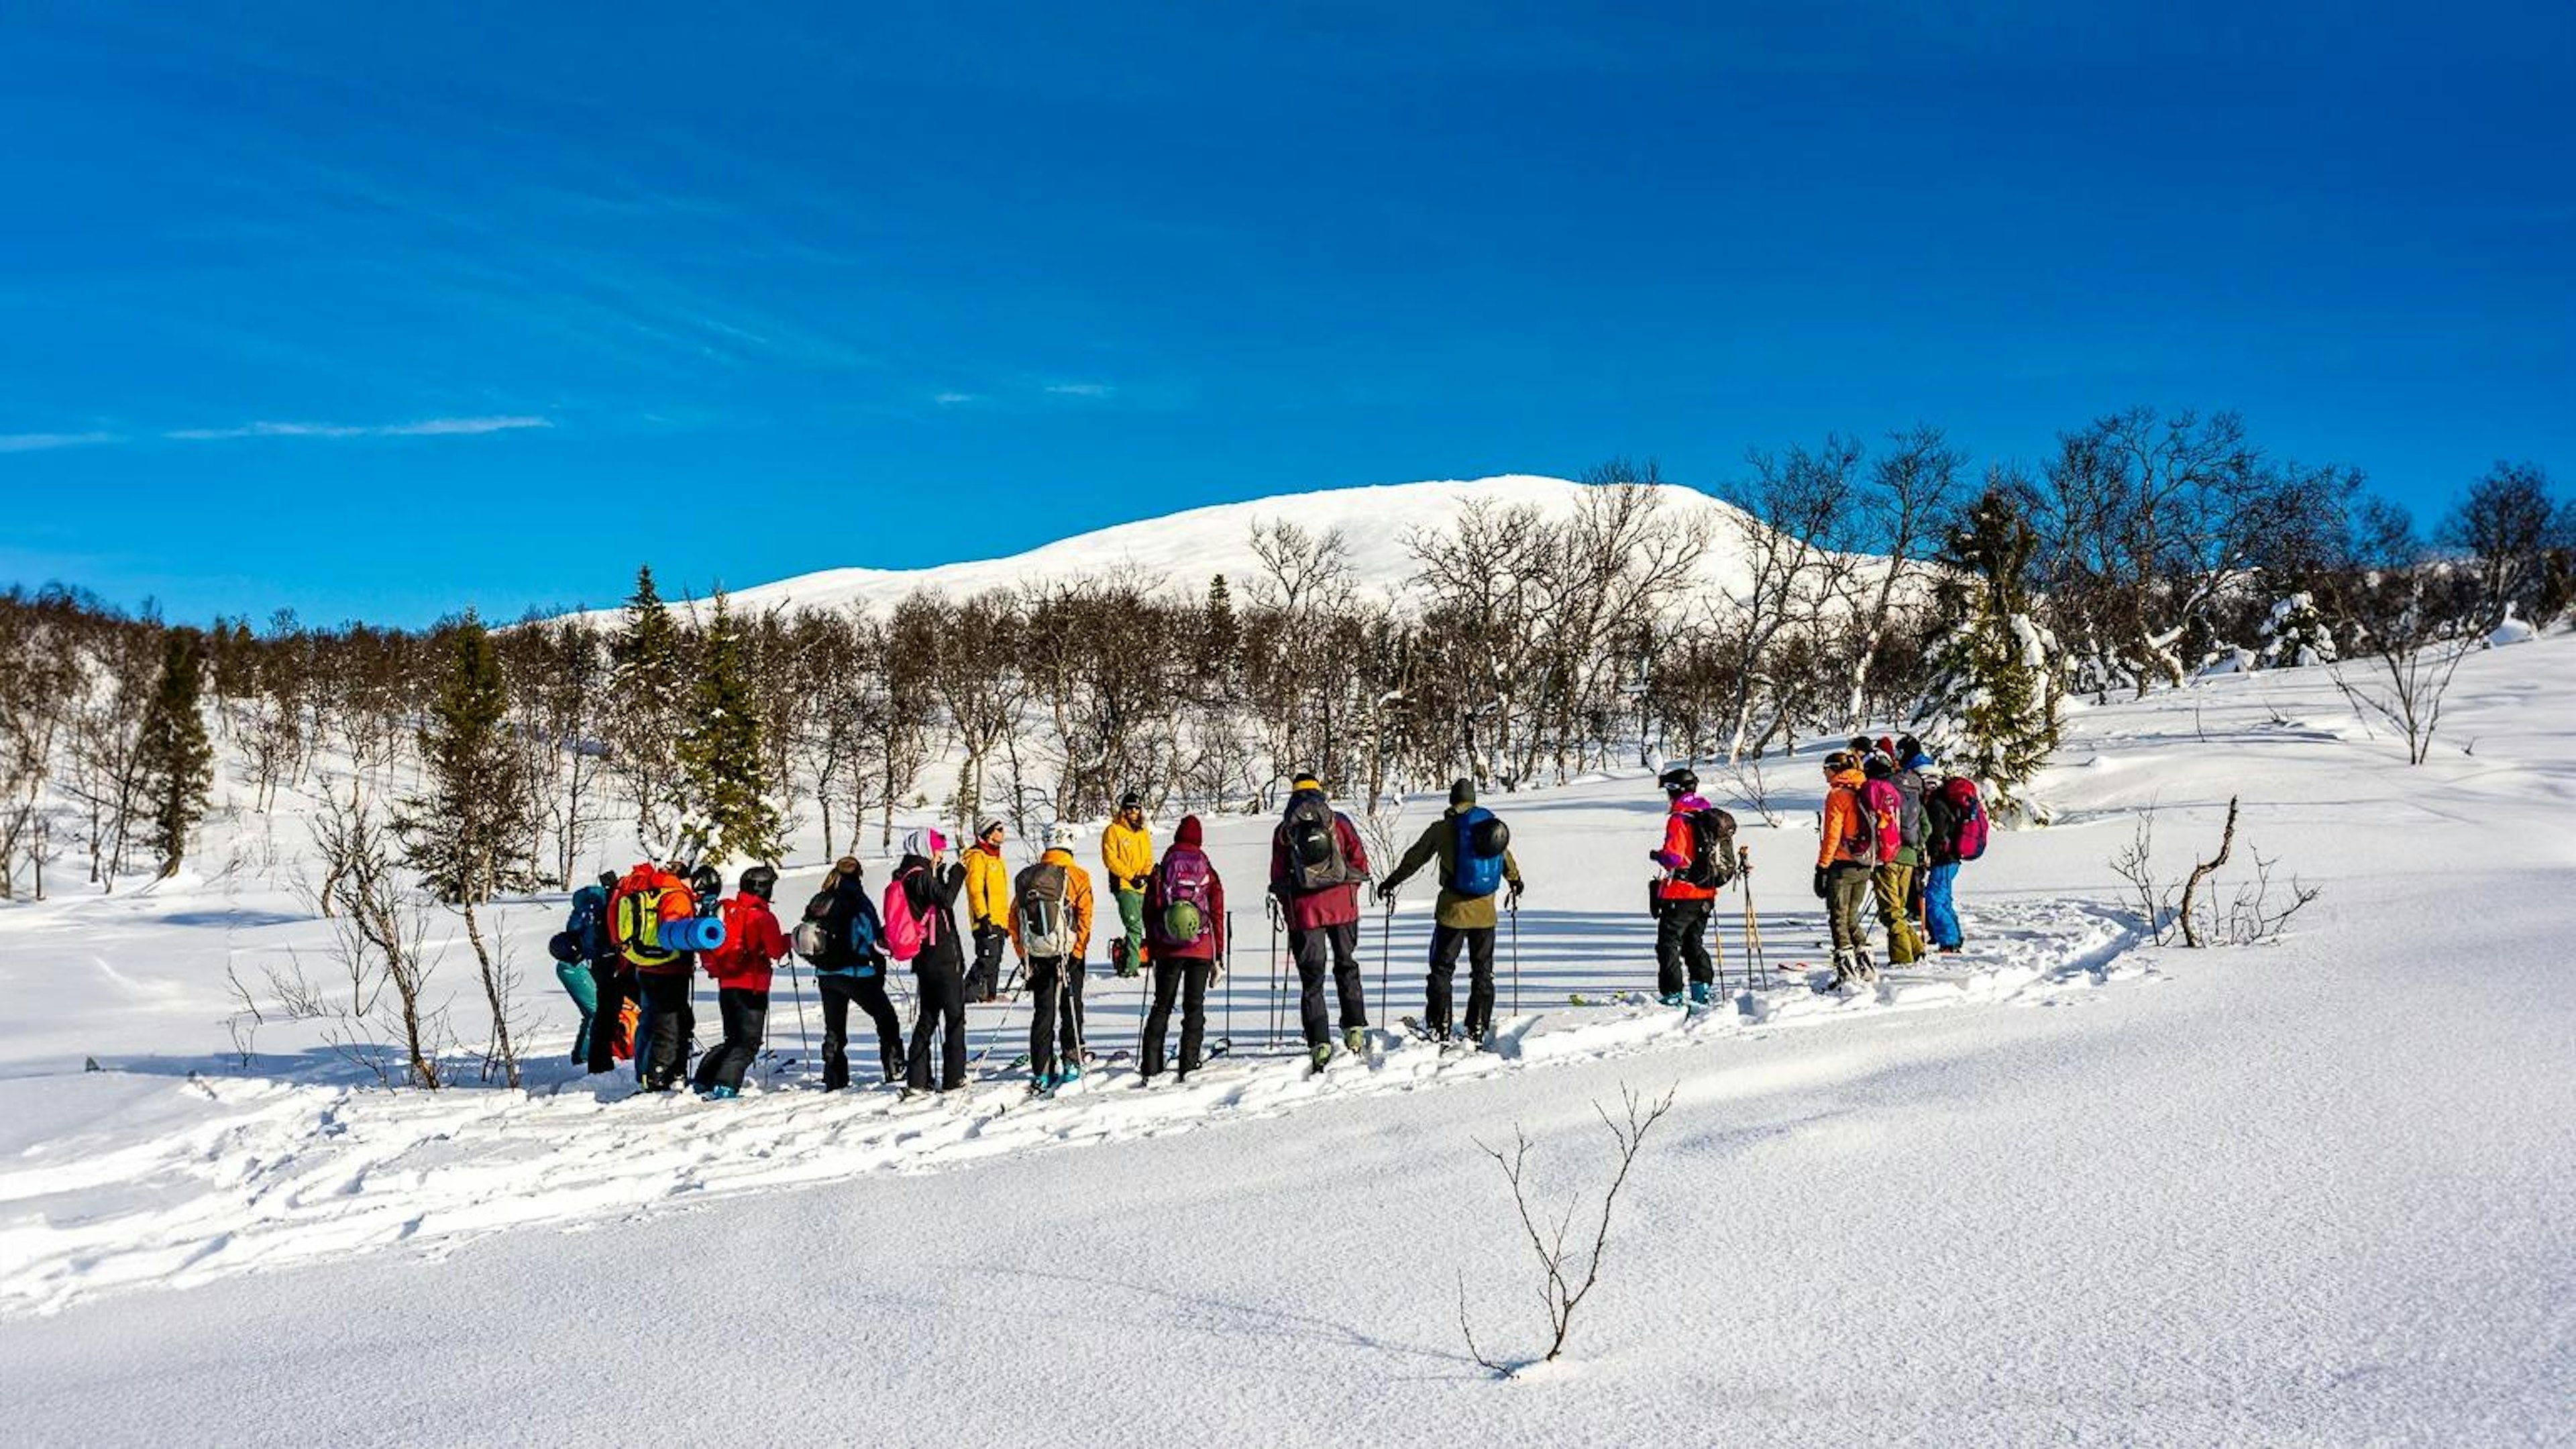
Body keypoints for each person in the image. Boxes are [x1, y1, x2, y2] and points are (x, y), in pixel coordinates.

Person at [1377, 779, 1523, 1044]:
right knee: (1483, 971)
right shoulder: (1488, 827)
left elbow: (1415, 858)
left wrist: (1391, 882)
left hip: (1451, 913)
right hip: (1485, 913)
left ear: (1451, 800)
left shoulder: (1442, 829)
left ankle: (1440, 1025)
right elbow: (1505, 857)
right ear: (1473, 799)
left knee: (1442, 969)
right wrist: (1515, 881)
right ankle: (1477, 1026)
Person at [1269, 772, 1373, 1069]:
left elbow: (1278, 877)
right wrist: (1347, 887)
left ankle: (1320, 1043)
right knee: (1347, 964)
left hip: (1305, 914)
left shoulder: (1284, 831)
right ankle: (1354, 1030)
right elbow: (1360, 861)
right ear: (1319, 792)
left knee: (1312, 979)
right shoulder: (1338, 821)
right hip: (1343, 908)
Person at [1009, 824, 1097, 1092]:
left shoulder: (1028, 877)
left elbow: (1013, 919)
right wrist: (1078, 952)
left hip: (1037, 954)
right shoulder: (1078, 876)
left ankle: (1043, 1070)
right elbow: (1085, 916)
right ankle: (1072, 1062)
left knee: (1043, 1012)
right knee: (1071, 1008)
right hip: (1068, 952)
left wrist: (1024, 955)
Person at [807, 856, 906, 1089]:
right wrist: (879, 970)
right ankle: (895, 1068)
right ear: (859, 874)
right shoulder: (859, 901)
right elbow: (872, 938)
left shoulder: (821, 899)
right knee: (887, 1020)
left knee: (834, 1029)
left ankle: (834, 1077)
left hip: (825, 973)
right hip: (856, 973)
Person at [1141, 814, 1227, 1080]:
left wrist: (1153, 946)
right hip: (1201, 946)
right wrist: (1218, 952)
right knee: (1194, 1006)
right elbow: (1217, 912)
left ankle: (1151, 1066)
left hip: (1168, 948)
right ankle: (1189, 1063)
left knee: (1162, 1005)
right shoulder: (1206, 869)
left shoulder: (1164, 867)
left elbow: (1151, 909)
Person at [694, 865, 787, 1099]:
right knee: (748, 1043)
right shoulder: (762, 916)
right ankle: (726, 1084)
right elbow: (775, 950)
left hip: (727, 984)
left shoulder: (726, 909)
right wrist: (789, 941)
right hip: (752, 986)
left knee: (733, 1039)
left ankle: (704, 1079)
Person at [608, 856, 700, 1090]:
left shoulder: (650, 889)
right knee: (670, 1025)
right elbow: (673, 930)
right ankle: (658, 1075)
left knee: (651, 1021)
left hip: (643, 965)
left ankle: (648, 1072)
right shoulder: (676, 894)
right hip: (669, 968)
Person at [891, 828, 970, 1095]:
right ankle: (954, 1078)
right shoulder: (920, 877)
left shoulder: (909, 874)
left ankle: (918, 1078)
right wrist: (958, 872)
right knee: (954, 1017)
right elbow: (946, 899)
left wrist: (940, 873)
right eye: (937, 849)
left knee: (928, 1018)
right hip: (942, 959)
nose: (940, 854)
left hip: (925, 958)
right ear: (925, 848)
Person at [1648, 767, 1721, 1006]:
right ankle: (1702, 990)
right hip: (1706, 892)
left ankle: (1672, 994)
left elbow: (1675, 857)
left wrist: (1659, 856)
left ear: (1674, 791)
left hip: (1682, 893)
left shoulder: (1680, 818)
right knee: (1693, 942)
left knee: (1668, 944)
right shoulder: (1707, 815)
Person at [1814, 751, 1886, 987]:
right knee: (1851, 915)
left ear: (1835, 769)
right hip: (1865, 862)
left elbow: (1833, 835)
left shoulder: (1838, 795)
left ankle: (1846, 973)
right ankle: (1866, 964)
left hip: (1843, 863)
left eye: (1825, 768)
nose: (1824, 773)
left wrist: (1822, 866)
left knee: (1838, 917)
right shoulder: (1864, 787)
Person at [1863, 753, 1925, 965]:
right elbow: (1925, 825)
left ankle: (1902, 958)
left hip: (1887, 857)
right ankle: (1916, 949)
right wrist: (1915, 845)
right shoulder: (1910, 787)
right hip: (1909, 857)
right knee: (1898, 909)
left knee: (1891, 912)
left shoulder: (1876, 788)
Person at [559, 871, 619, 1067]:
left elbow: (571, 932)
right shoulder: (607, 905)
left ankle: (584, 1054)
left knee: (594, 1011)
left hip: (574, 964)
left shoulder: (582, 911)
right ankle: (584, 1056)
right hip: (581, 966)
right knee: (596, 1010)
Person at [1100, 793, 1156, 978]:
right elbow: (1110, 859)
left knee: (1146, 924)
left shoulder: (1143, 832)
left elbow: (1148, 857)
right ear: (1123, 810)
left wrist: (1146, 875)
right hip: (1124, 885)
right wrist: (1131, 876)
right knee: (1134, 925)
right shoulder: (1113, 830)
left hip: (1142, 885)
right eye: (1129, 808)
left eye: (1136, 808)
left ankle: (1139, 957)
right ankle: (1130, 968)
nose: (1133, 812)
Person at [1921, 771, 1976, 955]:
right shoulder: (1945, 803)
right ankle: (1953, 938)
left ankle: (1949, 941)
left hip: (1944, 859)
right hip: (1950, 859)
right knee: (1943, 900)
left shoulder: (1937, 805)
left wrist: (1931, 856)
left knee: (1935, 900)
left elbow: (1938, 835)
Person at [963, 818, 1012, 1002]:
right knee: (987, 959)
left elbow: (1000, 893)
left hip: (999, 920)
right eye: (999, 829)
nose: (1003, 832)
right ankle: (965, 995)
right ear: (989, 833)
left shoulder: (996, 858)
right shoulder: (977, 856)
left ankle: (989, 996)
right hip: (985, 920)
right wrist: (983, 917)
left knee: (996, 961)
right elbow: (975, 889)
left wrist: (1005, 921)